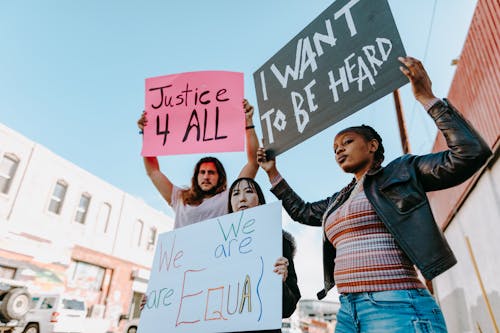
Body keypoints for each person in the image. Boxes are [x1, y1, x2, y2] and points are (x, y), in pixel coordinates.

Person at [256, 56, 492, 332]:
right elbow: (303, 212)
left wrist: (427, 98)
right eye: (335, 148)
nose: (339, 150)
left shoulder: (402, 171)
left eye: (347, 142)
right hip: (348, 311)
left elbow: (470, 154)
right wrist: (272, 173)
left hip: (396, 305)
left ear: (372, 145)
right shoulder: (337, 201)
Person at [137, 99, 259, 229]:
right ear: (196, 176)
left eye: (211, 172)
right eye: (202, 172)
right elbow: (153, 171)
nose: (206, 176)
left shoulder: (229, 197)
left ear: (220, 177)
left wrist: (248, 122)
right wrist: (146, 133)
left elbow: (253, 163)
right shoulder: (180, 198)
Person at [227, 177, 301, 333]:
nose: (241, 198)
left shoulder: (278, 242)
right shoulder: (215, 247)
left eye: (248, 192)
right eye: (235, 194)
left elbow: (288, 309)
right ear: (230, 204)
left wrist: (280, 283)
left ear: (260, 202)